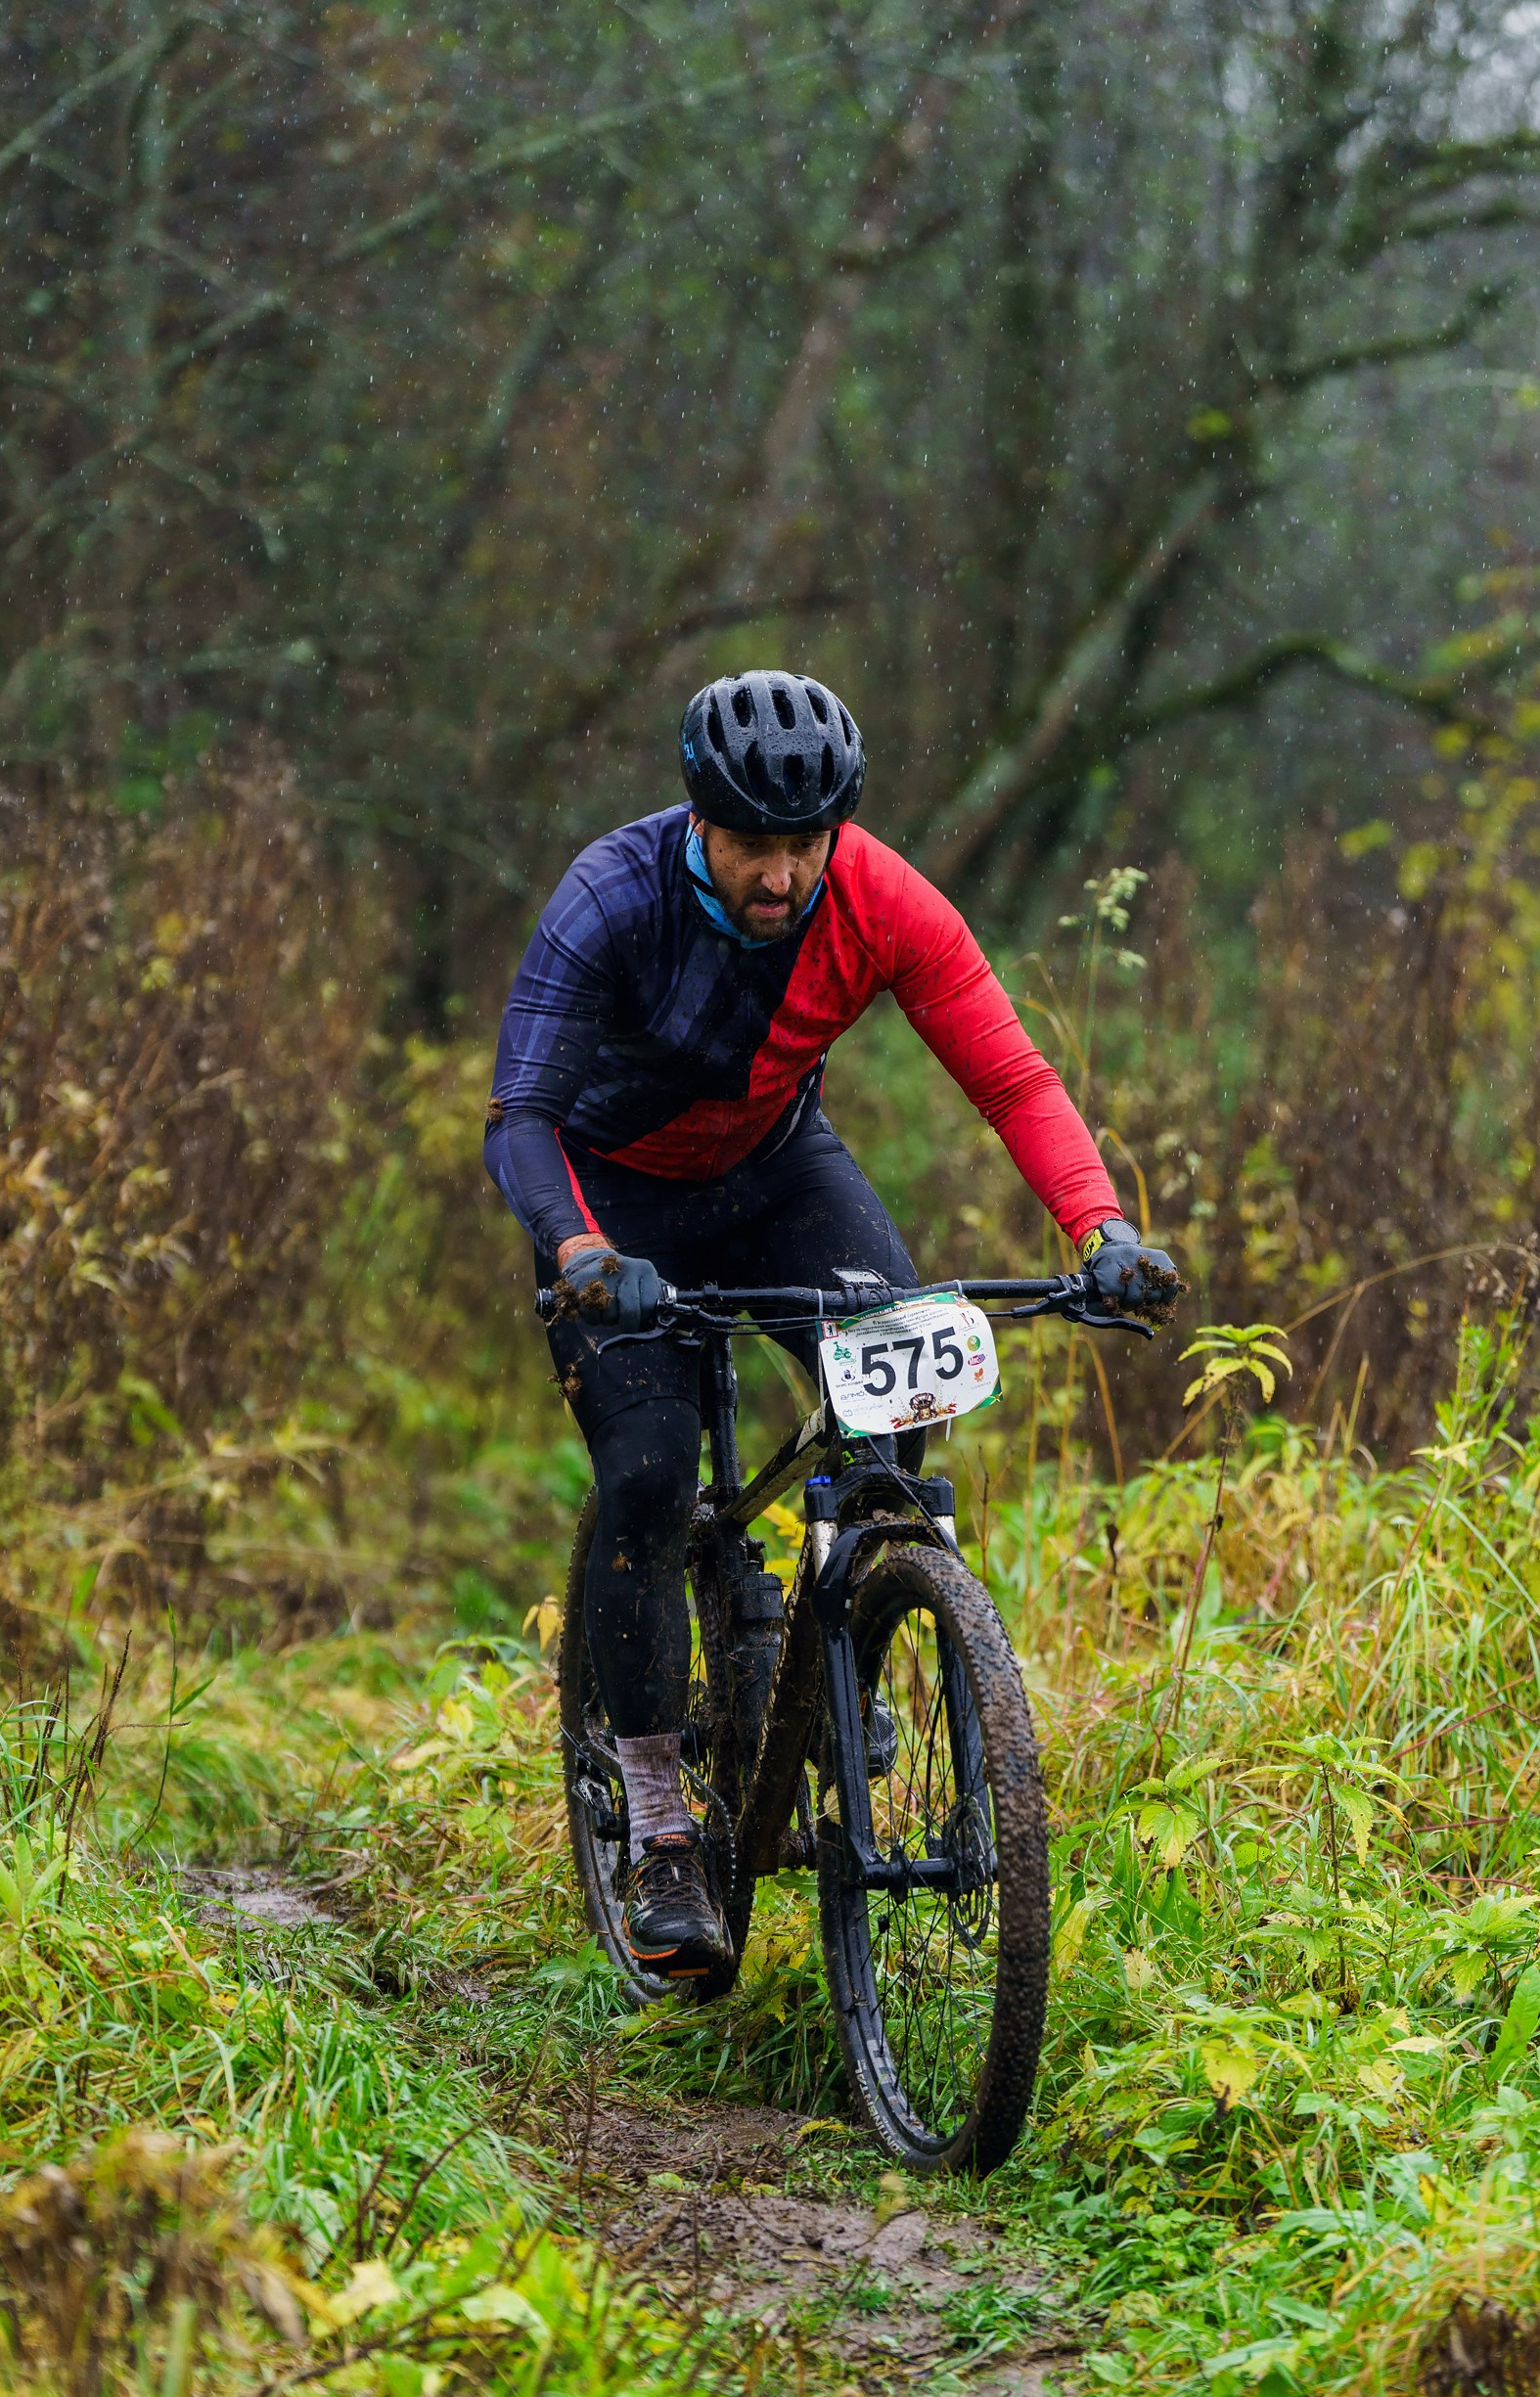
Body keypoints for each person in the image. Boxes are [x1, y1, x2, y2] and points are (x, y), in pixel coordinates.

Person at [485, 669, 1179, 1978]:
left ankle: (832, 1677)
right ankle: (663, 1834)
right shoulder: (613, 899)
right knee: (646, 1476)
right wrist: (580, 1249)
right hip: (613, 1206)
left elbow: (1010, 1071)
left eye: (807, 844)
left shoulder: (878, 899)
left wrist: (1103, 1232)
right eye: (756, 842)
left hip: (774, 1174)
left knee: (901, 1398)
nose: (783, 874)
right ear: (703, 822)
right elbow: (518, 1118)